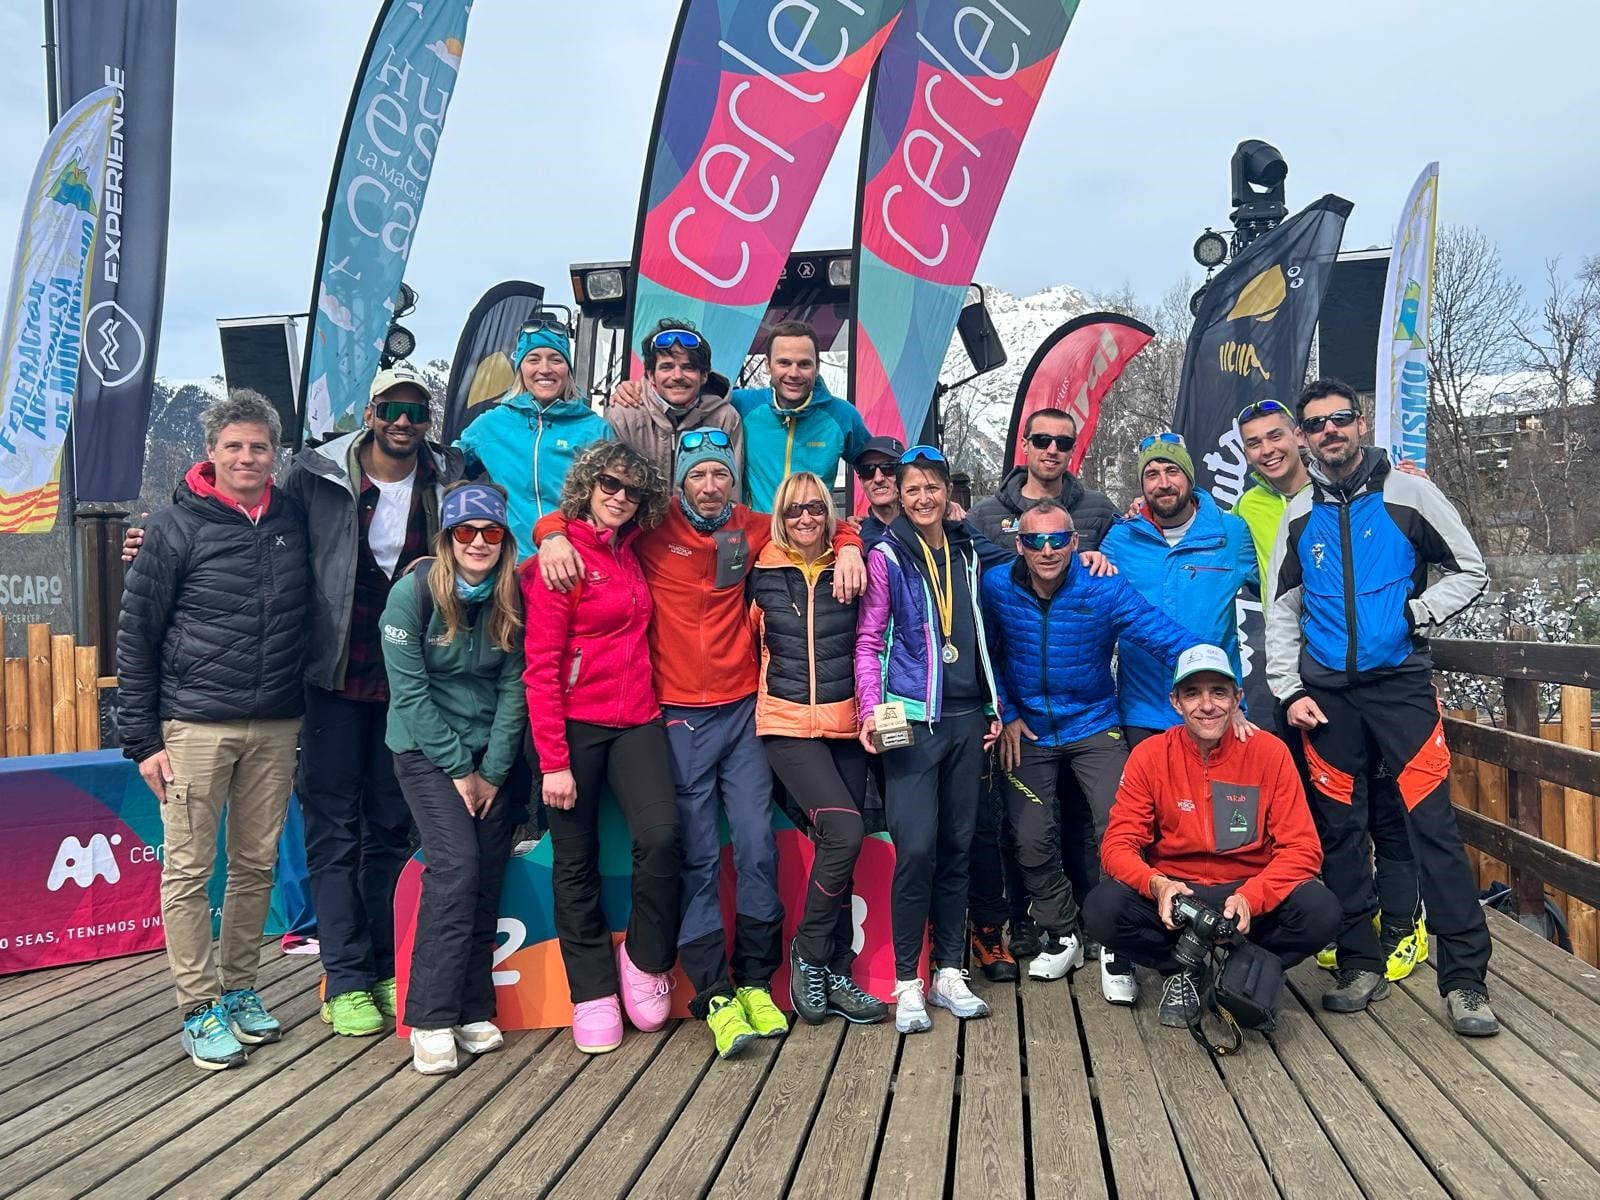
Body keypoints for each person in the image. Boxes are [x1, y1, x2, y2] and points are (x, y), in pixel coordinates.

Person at [123, 367, 468, 1037]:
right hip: (313, 688)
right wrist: (141, 736)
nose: (403, 419)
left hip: (389, 687)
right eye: (391, 408)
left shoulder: (432, 477)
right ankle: (324, 980)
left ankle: (364, 967)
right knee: (315, 835)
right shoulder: (312, 482)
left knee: (379, 833)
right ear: (370, 412)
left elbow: (486, 527)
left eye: (415, 409)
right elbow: (153, 603)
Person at [534, 429, 866, 1058]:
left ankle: (756, 979)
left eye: (721, 474)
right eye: (698, 475)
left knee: (756, 843)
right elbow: (583, 524)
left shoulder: (750, 524)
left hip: (743, 710)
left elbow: (817, 522)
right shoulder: (650, 528)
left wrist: (848, 544)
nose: (710, 486)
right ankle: (712, 990)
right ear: (679, 481)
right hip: (678, 716)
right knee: (697, 856)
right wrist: (549, 529)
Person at [1267, 379, 1498, 1036]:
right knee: (1341, 835)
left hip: (1399, 686)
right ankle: (1360, 963)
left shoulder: (1408, 493)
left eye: (1339, 419)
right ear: (1305, 439)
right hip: (1328, 699)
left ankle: (1465, 980)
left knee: (1434, 829)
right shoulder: (1299, 515)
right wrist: (1291, 691)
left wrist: (1416, 613)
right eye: (1315, 424)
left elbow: (1470, 568)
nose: (1329, 432)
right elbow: (1283, 614)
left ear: (1360, 424)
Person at [117, 390, 310, 1070]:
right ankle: (198, 1007)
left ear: (274, 453)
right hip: (194, 724)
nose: (247, 457)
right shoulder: (172, 526)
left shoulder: (294, 516)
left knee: (255, 866)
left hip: (277, 720)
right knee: (190, 869)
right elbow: (136, 636)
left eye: (259, 446)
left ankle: (241, 990)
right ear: (212, 454)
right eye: (234, 446)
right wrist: (141, 740)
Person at [1234, 398, 1426, 982]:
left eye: (1277, 436)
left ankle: (1404, 921)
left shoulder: (1372, 486)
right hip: (1312, 681)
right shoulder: (1248, 506)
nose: (1268, 450)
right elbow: (1270, 595)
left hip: (1384, 675)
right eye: (1254, 444)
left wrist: (1415, 616)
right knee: (1331, 811)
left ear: (1299, 437)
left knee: (1389, 802)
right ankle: (1352, 924)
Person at [981, 500, 1198, 1004]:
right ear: (1020, 544)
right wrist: (1007, 709)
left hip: (1096, 723)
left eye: (1058, 539)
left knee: (1117, 827)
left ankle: (1115, 940)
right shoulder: (996, 587)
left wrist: (1219, 685)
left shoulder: (1102, 586)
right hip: (1027, 729)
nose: (1047, 550)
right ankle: (1061, 932)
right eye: (1036, 540)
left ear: (1075, 543)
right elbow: (983, 652)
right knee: (1029, 836)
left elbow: (1165, 636)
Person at [521, 442, 682, 1055]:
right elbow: (540, 668)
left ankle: (644, 960)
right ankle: (591, 990)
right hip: (574, 726)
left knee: (662, 834)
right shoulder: (558, 563)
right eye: (609, 485)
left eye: (631, 491)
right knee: (575, 859)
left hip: (637, 718)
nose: (619, 497)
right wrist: (554, 761)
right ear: (588, 486)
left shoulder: (632, 549)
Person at [1083, 645, 1339, 1028]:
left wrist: (1253, 896)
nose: (1207, 705)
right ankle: (1183, 969)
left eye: (1219, 692)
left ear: (1237, 698)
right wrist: (1157, 884)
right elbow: (1118, 844)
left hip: (1246, 890)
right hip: (1179, 894)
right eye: (1193, 693)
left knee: (1321, 909)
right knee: (1102, 908)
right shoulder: (1149, 755)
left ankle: (1242, 969)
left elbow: (1303, 849)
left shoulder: (1271, 753)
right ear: (1175, 702)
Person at [380, 481, 526, 1074]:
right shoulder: (410, 595)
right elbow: (409, 694)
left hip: (493, 756)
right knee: (456, 866)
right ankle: (431, 1016)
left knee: (487, 871)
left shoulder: (513, 597)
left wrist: (491, 769)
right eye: (465, 532)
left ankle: (471, 1007)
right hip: (425, 751)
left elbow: (517, 687)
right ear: (447, 538)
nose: (478, 543)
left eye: (490, 533)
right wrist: (460, 769)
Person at [856, 445, 1002, 1034]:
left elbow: (987, 625)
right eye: (911, 488)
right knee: (915, 847)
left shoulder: (967, 551)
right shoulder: (886, 556)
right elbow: (869, 641)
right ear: (898, 493)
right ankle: (907, 981)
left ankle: (948, 969)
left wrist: (995, 703)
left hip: (968, 715)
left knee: (957, 843)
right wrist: (870, 709)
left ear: (949, 495)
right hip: (912, 720)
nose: (922, 498)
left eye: (931, 488)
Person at [750, 472, 888, 1026]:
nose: (805, 518)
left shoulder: (850, 563)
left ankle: (835, 970)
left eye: (815, 508)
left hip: (845, 724)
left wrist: (850, 543)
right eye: (793, 511)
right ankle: (808, 952)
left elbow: (875, 637)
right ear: (779, 517)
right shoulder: (758, 571)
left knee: (840, 848)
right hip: (785, 724)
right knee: (845, 830)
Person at [1084, 432, 1257, 744]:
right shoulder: (1119, 541)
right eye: (1152, 474)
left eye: (1172, 471)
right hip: (1143, 712)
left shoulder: (1232, 533)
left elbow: (1279, 590)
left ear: (1189, 476)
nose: (1162, 483)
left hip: (1215, 707)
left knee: (1219, 795)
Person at [456, 315, 612, 559]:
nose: (545, 369)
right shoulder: (491, 425)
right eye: (533, 359)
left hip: (576, 562)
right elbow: (445, 465)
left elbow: (613, 498)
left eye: (556, 360)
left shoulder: (594, 429)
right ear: (520, 368)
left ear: (568, 369)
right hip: (513, 567)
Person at [731, 320, 871, 511]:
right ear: (767, 364)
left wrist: (871, 519)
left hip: (814, 535)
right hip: (758, 537)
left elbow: (877, 470)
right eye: (784, 363)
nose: (794, 373)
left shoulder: (842, 415)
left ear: (817, 367)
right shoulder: (742, 405)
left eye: (804, 364)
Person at [606, 320, 744, 490]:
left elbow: (731, 494)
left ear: (704, 375)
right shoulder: (624, 415)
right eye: (667, 367)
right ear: (650, 374)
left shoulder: (726, 419)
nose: (677, 376)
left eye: (688, 367)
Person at [968, 407, 1117, 553]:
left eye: (1063, 443)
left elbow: (1133, 551)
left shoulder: (1100, 510)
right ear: (1025, 445)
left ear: (1072, 450)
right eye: (1042, 441)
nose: (1052, 451)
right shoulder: (983, 516)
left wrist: (1138, 512)